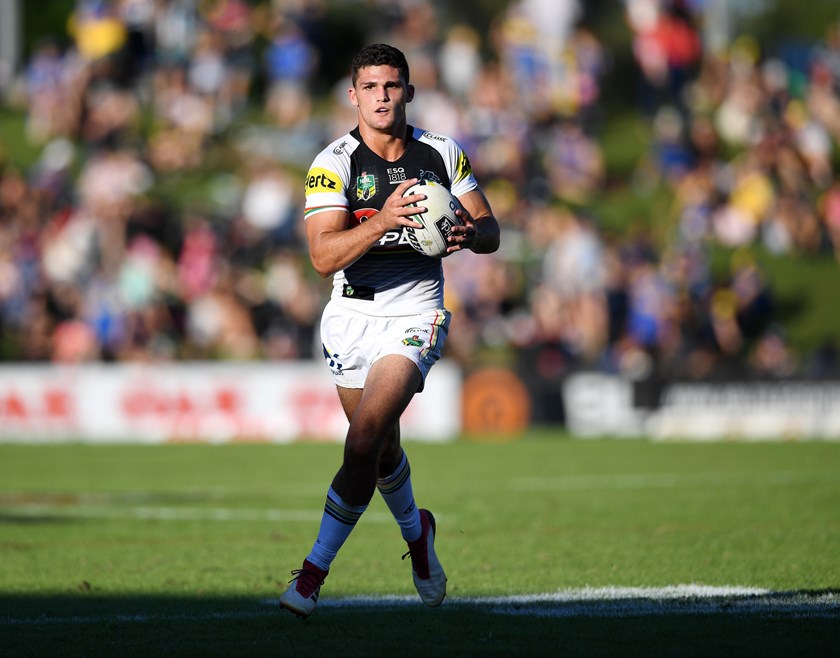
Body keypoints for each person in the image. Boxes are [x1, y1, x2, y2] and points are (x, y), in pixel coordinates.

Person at [279, 43, 500, 618]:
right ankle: (417, 534)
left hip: (416, 312)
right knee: (379, 451)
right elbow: (323, 257)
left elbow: (491, 227)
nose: (382, 97)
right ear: (353, 96)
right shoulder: (334, 164)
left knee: (362, 437)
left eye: (392, 86)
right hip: (350, 317)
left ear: (409, 90)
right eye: (370, 88)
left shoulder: (441, 151)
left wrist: (471, 236)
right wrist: (382, 221)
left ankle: (312, 573)